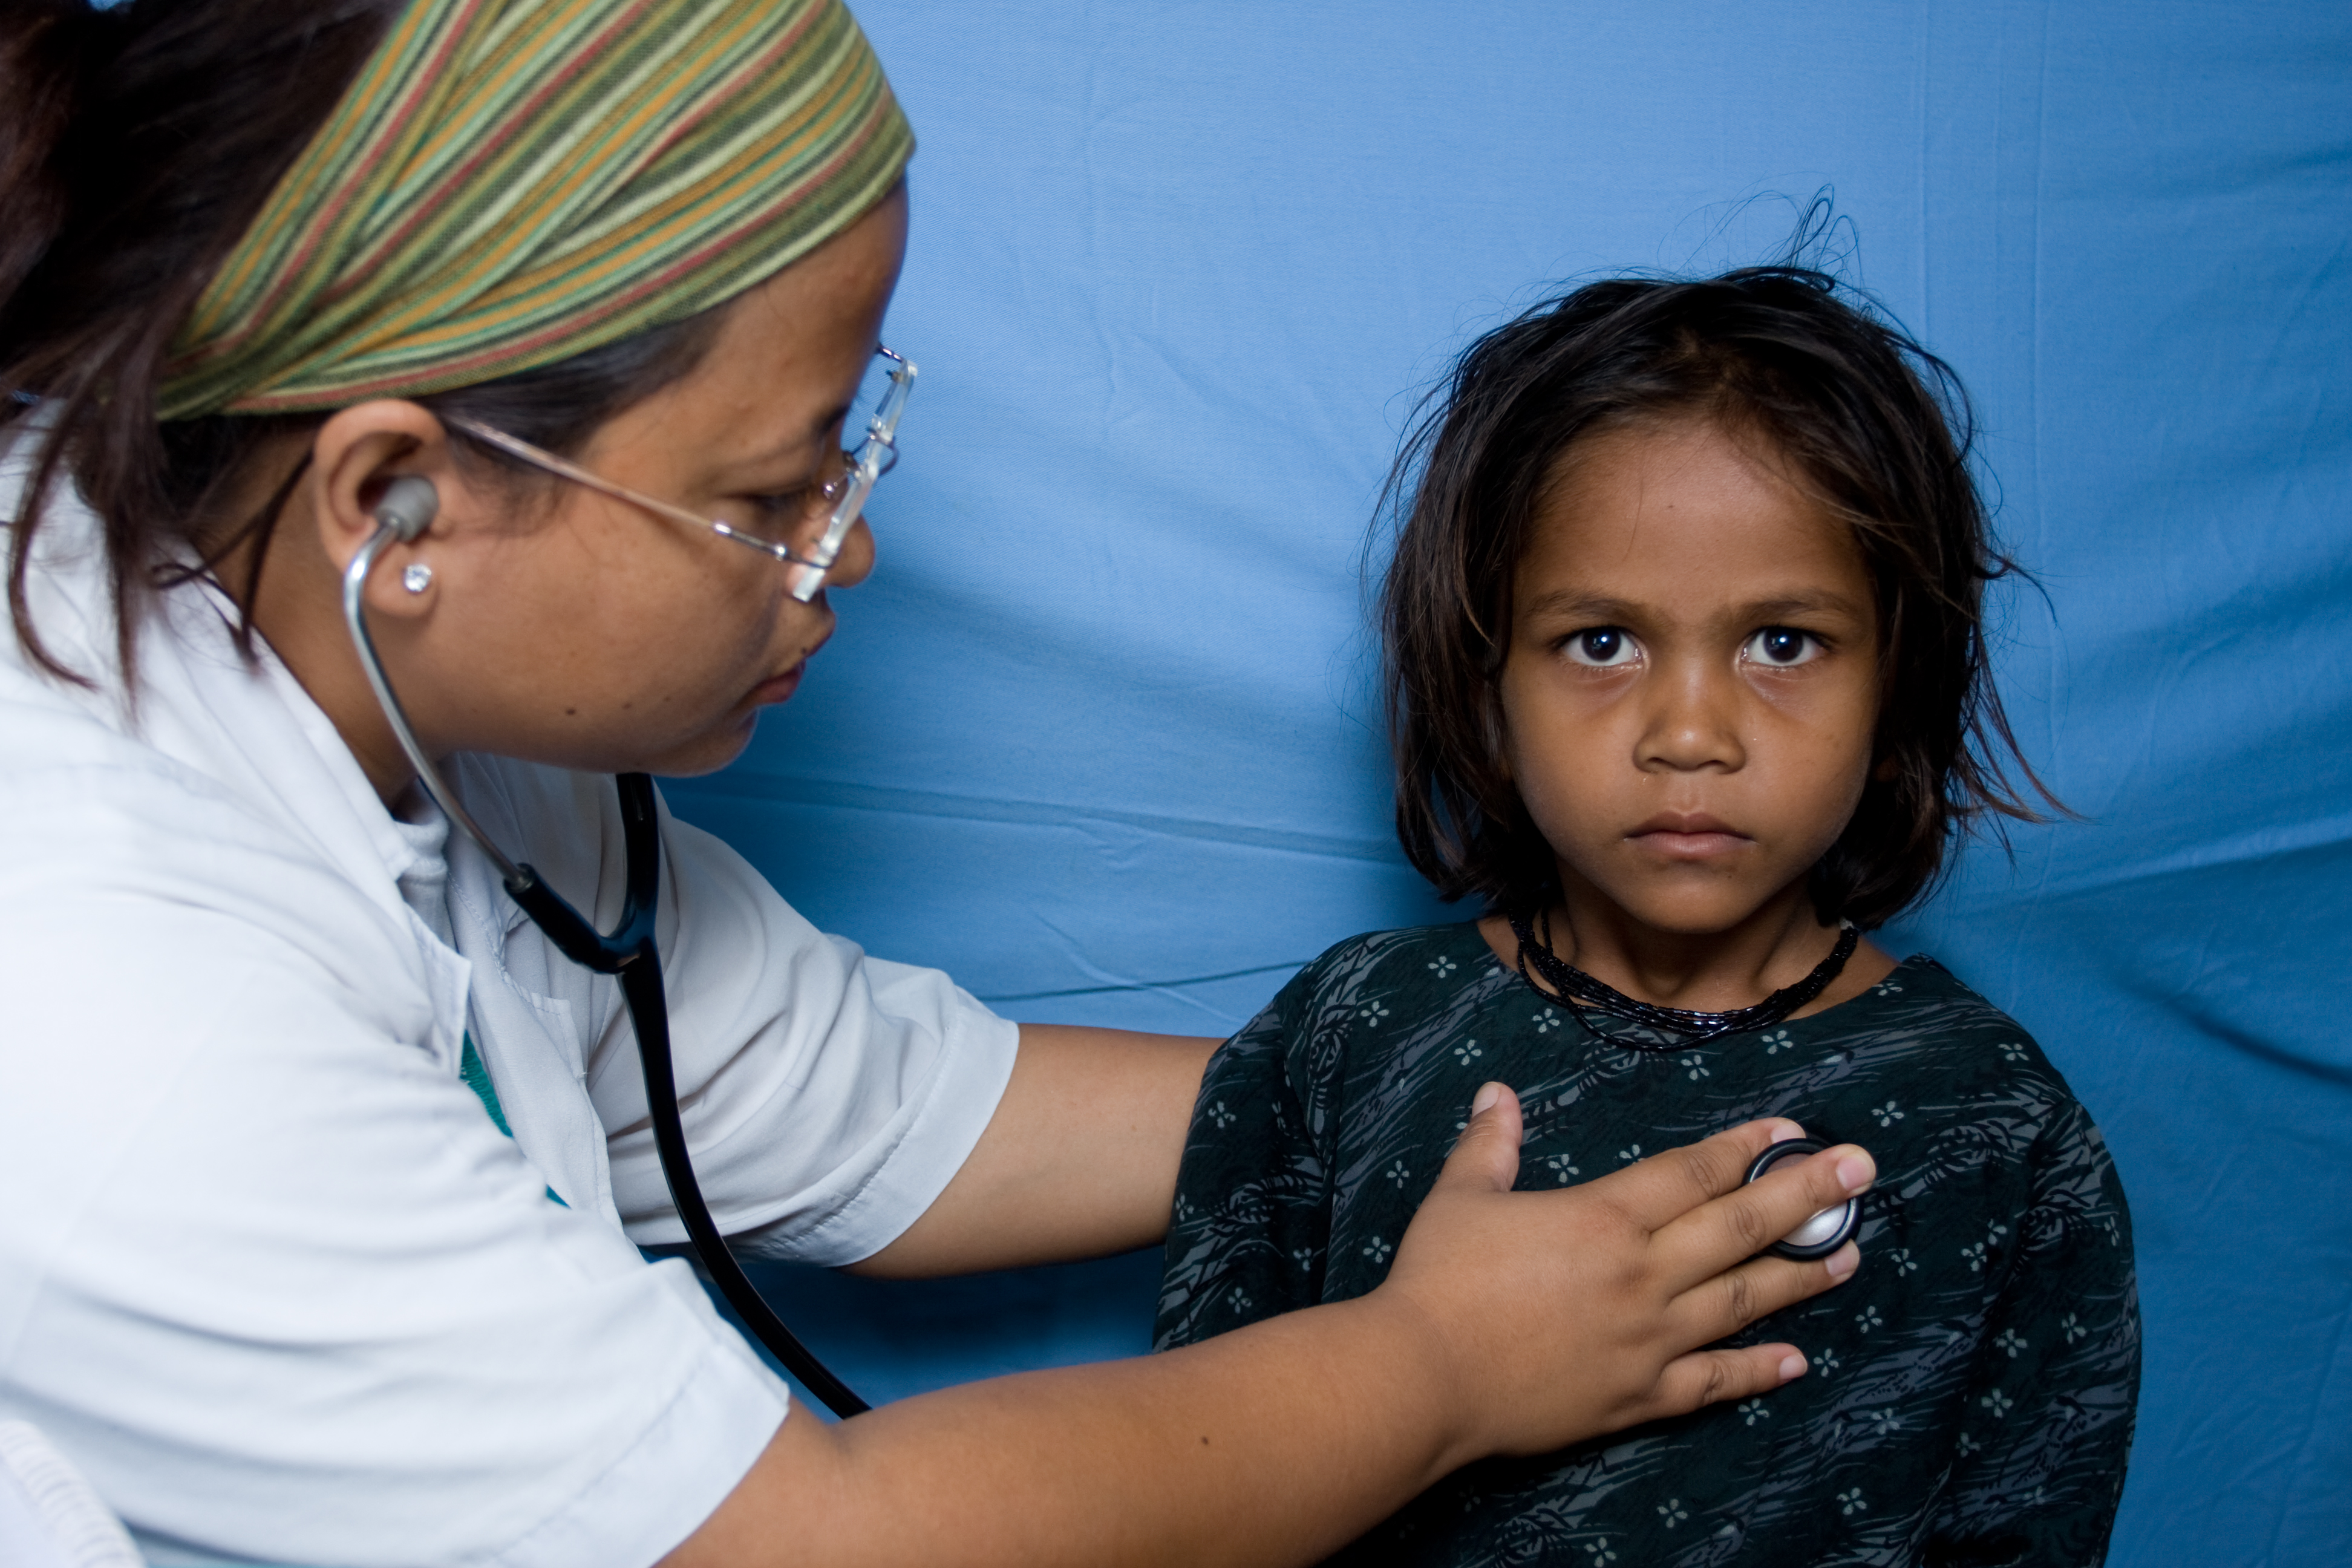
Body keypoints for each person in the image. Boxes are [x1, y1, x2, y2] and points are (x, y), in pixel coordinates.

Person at [0, 2, 1879, 1565]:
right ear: (394, 503)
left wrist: (1541, 1087)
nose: (851, 555)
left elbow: (889, 1117)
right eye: (765, 494)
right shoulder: (100, 988)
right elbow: (813, 1544)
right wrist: (1449, 1365)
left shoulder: (400, 686)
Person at [1155, 268, 2141, 1564]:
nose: (1690, 735)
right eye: (1603, 642)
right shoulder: (1350, 1034)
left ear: (1898, 688)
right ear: (1484, 680)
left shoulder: (1996, 1121)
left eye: (1783, 643)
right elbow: (1203, 1468)